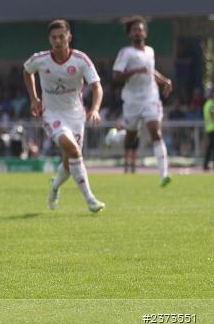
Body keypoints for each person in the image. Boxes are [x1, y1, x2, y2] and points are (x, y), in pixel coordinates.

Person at [24, 19, 105, 213]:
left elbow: (97, 87)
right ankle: (90, 199)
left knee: (69, 163)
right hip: (52, 114)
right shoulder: (40, 59)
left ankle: (54, 185)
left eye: (62, 36)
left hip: (76, 115)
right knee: (74, 151)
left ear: (69, 37)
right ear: (49, 40)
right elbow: (27, 72)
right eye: (54, 37)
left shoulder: (81, 60)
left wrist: (94, 109)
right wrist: (34, 99)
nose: (58, 41)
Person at [113, 16, 173, 185]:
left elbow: (151, 71)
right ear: (129, 34)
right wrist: (135, 71)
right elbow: (116, 75)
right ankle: (114, 137)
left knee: (155, 131)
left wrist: (165, 81)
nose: (138, 32)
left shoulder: (150, 51)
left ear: (145, 32)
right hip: (132, 100)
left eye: (140, 29)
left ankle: (164, 174)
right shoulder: (126, 53)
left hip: (150, 97)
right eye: (134, 30)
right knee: (130, 138)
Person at [203, 89, 214, 171]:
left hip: (209, 128)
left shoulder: (206, 104)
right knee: (210, 148)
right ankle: (206, 164)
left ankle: (206, 164)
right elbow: (212, 113)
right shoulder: (211, 104)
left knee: (210, 148)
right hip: (212, 128)